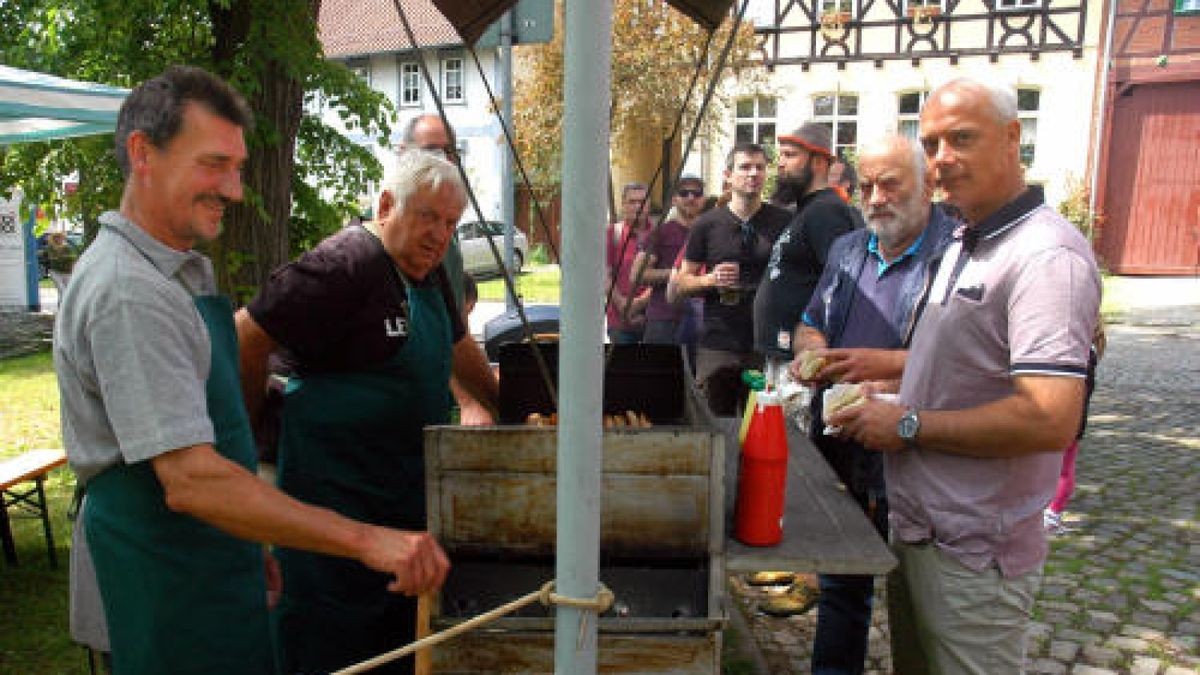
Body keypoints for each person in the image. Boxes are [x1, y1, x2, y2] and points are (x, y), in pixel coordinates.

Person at [54, 65, 449, 675]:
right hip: (161, 584)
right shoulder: (128, 291)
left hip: (210, 560)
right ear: (143, 154)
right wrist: (369, 539)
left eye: (237, 168)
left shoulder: (179, 270)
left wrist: (244, 540)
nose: (235, 189)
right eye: (214, 164)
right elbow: (191, 480)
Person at [830, 77, 1101, 673]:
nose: (942, 159)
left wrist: (906, 423)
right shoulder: (961, 240)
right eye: (931, 144)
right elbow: (970, 374)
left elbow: (1050, 417)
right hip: (922, 530)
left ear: (1012, 138)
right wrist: (893, 393)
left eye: (961, 138)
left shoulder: (1046, 256)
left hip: (977, 552)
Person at [236, 150, 497, 675]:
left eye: (450, 223)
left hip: (401, 513)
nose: (439, 234)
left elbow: (458, 346)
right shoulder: (341, 265)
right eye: (427, 216)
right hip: (332, 518)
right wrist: (246, 437)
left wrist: (515, 408)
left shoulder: (429, 272)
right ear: (385, 205)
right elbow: (245, 334)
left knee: (397, 654)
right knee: (330, 653)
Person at [789, 135, 954, 675]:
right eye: (865, 186)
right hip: (842, 440)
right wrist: (812, 351)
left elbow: (967, 361)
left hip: (913, 447)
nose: (876, 197)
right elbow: (811, 321)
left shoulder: (957, 252)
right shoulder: (849, 247)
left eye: (890, 184)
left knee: (921, 597)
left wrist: (880, 367)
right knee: (842, 583)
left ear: (927, 183)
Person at [674, 143, 791, 415]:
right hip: (719, 343)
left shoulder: (784, 222)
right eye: (745, 167)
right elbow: (682, 282)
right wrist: (710, 280)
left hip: (765, 344)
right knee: (714, 426)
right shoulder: (707, 224)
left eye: (759, 167)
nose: (753, 174)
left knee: (762, 424)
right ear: (728, 174)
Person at [398, 113, 497, 425]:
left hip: (429, 411)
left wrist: (486, 399)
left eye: (450, 151)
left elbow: (454, 332)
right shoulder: (351, 255)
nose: (443, 160)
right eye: (431, 151)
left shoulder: (448, 246)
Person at [754, 124, 861, 361]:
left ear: (819, 162)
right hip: (784, 356)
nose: (780, 163)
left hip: (802, 361)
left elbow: (842, 283)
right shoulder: (807, 209)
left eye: (790, 155)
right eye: (780, 155)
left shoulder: (827, 211)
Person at [629, 174, 706, 345]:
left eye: (697, 193)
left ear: (703, 199)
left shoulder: (711, 231)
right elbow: (636, 275)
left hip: (703, 320)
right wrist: (678, 273)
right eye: (684, 193)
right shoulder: (660, 232)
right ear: (674, 199)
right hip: (664, 321)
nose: (691, 197)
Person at [1044, 324, 1104, 535]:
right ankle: (1049, 514)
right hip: (1064, 422)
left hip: (1066, 423)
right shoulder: (1085, 354)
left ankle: (1051, 515)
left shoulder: (1081, 357)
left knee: (1062, 470)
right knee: (1058, 469)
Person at [607, 182, 652, 344]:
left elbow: (667, 275)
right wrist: (623, 307)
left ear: (649, 204)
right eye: (632, 202)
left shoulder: (660, 233)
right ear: (623, 204)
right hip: (619, 322)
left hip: (652, 319)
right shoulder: (612, 233)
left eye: (642, 201)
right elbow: (605, 275)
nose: (637, 206)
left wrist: (639, 304)